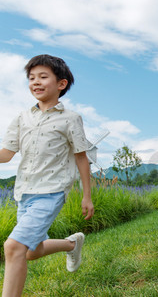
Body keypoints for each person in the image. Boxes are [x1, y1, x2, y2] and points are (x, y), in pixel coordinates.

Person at [0, 54, 94, 297]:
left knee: (13, 247)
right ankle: (72, 244)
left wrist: (87, 196)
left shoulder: (71, 119)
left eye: (43, 77)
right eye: (31, 78)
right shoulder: (22, 118)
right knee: (29, 251)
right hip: (24, 192)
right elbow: (6, 154)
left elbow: (81, 157)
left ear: (61, 84)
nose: (36, 82)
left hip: (51, 192)